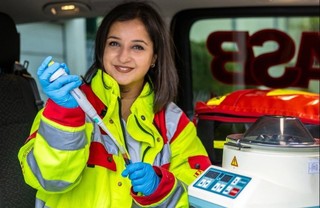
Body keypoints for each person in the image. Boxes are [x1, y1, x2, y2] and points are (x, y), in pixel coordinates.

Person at [18, 1, 211, 207]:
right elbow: (48, 179)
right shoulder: (67, 105)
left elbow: (200, 196)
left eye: (137, 47)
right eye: (114, 44)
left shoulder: (174, 123)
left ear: (154, 56)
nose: (123, 57)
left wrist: (161, 189)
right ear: (101, 50)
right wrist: (64, 116)